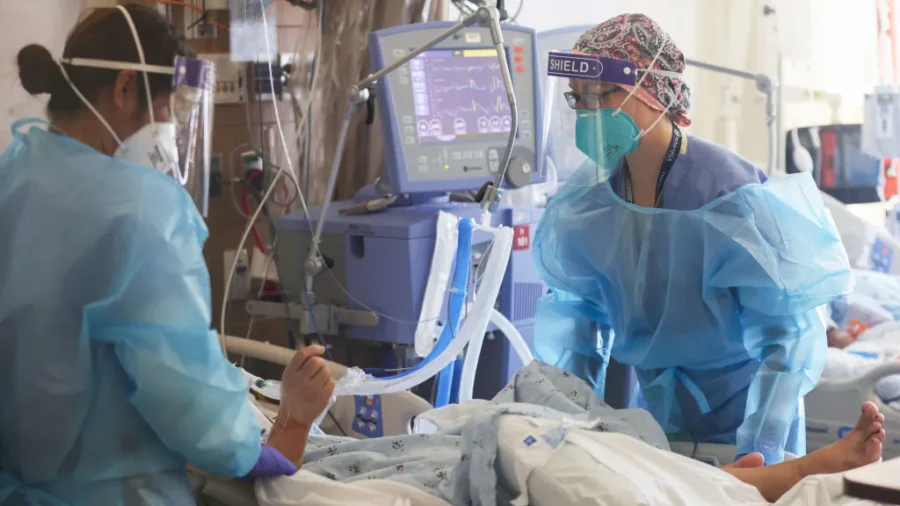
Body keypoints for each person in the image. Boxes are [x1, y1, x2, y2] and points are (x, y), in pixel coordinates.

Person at [0, 5, 333, 505]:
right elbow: (195, 411)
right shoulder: (141, 209)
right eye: (167, 107)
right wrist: (291, 426)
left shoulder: (11, 174)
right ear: (125, 88)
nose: (168, 125)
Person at [533, 13, 853, 465]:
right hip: (657, 427)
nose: (588, 112)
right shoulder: (587, 203)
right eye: (578, 98)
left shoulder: (730, 196)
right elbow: (576, 328)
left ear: (651, 88)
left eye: (602, 94)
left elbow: (787, 341)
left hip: (747, 422)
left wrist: (761, 450)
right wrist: (571, 433)